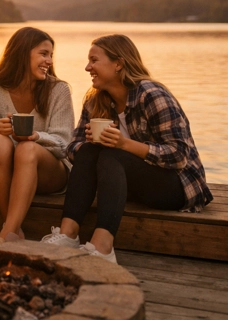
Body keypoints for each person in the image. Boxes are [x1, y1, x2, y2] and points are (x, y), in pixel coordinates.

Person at [40, 34, 212, 264]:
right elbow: (72, 148)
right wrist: (92, 143)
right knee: (91, 151)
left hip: (178, 185)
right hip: (130, 183)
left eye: (94, 60)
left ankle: (103, 248)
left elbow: (179, 155)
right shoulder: (95, 100)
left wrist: (124, 144)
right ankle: (68, 234)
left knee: (112, 156)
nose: (87, 67)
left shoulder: (151, 95)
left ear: (118, 63)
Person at [0, 27, 74, 241]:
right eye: (44, 54)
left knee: (26, 149)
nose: (49, 61)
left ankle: (7, 232)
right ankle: (14, 229)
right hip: (0, 169)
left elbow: (65, 145)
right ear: (22, 53)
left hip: (47, 172)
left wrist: (36, 137)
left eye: (51, 55)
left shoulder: (58, 90)